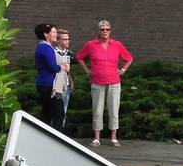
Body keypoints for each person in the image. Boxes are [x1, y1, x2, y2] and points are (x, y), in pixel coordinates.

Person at [75, 19, 134, 147]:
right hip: (97, 81)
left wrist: (123, 69)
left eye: (108, 29)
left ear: (110, 30)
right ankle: (97, 138)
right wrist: (87, 70)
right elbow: (79, 57)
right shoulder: (91, 45)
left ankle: (113, 137)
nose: (105, 31)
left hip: (114, 82)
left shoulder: (117, 44)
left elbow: (129, 58)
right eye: (103, 29)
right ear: (99, 31)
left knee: (113, 110)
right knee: (97, 110)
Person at [33, 23, 67, 131]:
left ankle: (43, 138)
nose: (56, 34)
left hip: (45, 84)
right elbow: (53, 67)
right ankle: (57, 141)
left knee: (47, 114)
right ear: (45, 34)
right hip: (49, 86)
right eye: (53, 32)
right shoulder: (45, 48)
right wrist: (63, 67)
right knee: (59, 113)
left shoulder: (45, 47)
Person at [54, 29, 76, 128]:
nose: (67, 41)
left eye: (68, 39)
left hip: (66, 85)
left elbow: (68, 70)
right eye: (64, 39)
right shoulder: (53, 52)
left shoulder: (70, 53)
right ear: (58, 40)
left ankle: (61, 132)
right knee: (55, 110)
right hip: (56, 85)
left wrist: (71, 81)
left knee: (64, 110)